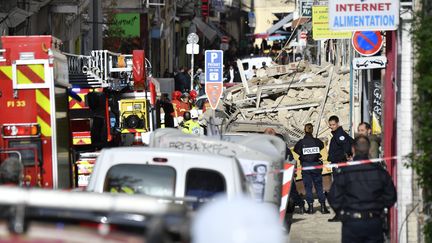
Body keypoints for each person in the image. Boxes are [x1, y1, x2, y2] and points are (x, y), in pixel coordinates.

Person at [327, 135, 397, 243]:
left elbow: (333, 197)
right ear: (369, 149)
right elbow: (391, 196)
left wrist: (341, 212)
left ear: (353, 149)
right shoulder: (379, 171)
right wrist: (379, 207)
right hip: (374, 222)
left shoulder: (345, 171)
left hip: (352, 222)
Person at [264, 127, 305, 214]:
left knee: (290, 191)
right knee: (289, 191)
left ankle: (300, 205)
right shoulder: (278, 145)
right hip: (281, 171)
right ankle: (300, 206)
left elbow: (288, 158)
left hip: (283, 171)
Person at [294, 123, 330, 214]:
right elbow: (322, 146)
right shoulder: (317, 141)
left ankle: (310, 209)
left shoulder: (301, 142)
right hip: (316, 166)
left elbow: (295, 150)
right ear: (312, 130)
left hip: (306, 166)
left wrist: (303, 154)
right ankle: (323, 207)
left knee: (308, 188)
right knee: (318, 186)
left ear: (304, 130)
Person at [327, 115, 354, 222]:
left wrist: (343, 158)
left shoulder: (339, 135)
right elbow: (351, 141)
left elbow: (347, 147)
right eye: (330, 125)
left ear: (338, 124)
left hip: (339, 166)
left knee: (338, 191)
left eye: (333, 125)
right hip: (339, 165)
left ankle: (340, 213)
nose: (331, 127)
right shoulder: (339, 134)